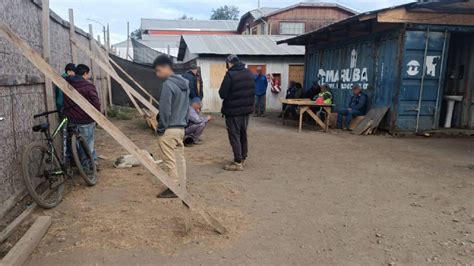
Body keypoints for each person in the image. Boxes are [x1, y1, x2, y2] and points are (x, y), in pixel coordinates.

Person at [153, 55, 190, 198]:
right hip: (180, 127)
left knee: (170, 159)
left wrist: (161, 128)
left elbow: (165, 110)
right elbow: (187, 108)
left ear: (166, 67)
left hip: (169, 128)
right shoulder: (185, 84)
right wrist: (184, 122)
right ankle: (182, 183)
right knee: (179, 158)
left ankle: (175, 188)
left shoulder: (168, 85)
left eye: (158, 70)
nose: (157, 74)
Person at [219, 55, 255, 171]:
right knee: (243, 134)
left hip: (233, 111)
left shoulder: (230, 75)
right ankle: (243, 157)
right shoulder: (249, 73)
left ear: (229, 63)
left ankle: (237, 162)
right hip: (246, 110)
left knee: (234, 135)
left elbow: (222, 94)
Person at [64, 64, 101, 162]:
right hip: (86, 120)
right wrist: (97, 117)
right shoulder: (88, 86)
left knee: (77, 144)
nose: (88, 77)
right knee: (88, 143)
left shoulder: (66, 83)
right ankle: (90, 164)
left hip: (72, 120)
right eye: (87, 74)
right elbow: (96, 103)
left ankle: (83, 163)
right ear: (85, 73)